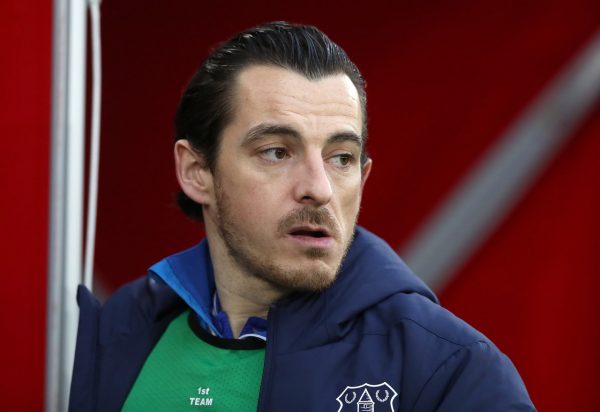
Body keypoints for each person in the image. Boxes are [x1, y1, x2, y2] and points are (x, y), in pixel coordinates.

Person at [69, 22, 535, 411]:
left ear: (363, 177)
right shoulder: (114, 334)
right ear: (197, 171)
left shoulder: (451, 371)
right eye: (277, 151)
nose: (319, 187)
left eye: (341, 157)